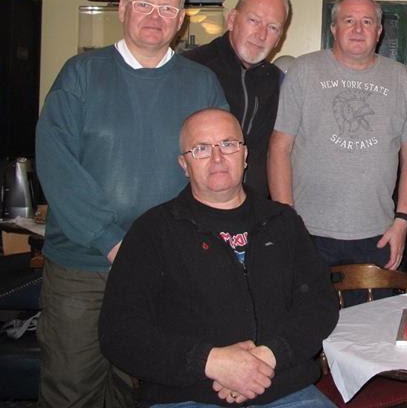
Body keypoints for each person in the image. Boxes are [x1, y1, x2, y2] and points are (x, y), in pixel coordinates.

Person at [35, 0, 228, 408]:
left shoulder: (201, 84)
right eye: (144, 4)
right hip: (83, 268)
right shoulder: (80, 74)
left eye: (167, 8)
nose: (155, 16)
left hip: (164, 268)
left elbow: (218, 169)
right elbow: (57, 165)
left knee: (137, 388)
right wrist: (110, 241)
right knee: (72, 388)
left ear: (181, 19)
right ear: (121, 9)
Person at [99, 108, 338, 408]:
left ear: (245, 155)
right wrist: (210, 362)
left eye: (228, 144)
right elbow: (119, 332)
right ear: (184, 165)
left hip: (285, 389)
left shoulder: (283, 222)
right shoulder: (152, 231)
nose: (217, 158)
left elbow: (319, 306)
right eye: (201, 148)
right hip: (186, 397)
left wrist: (267, 358)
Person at [267, 0, 407, 273]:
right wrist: (286, 221)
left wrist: (402, 220)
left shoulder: (402, 79)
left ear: (379, 31)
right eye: (349, 21)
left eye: (367, 22)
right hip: (307, 231)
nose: (358, 29)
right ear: (333, 28)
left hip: (379, 233)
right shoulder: (303, 71)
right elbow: (279, 147)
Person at [185, 0, 290, 197]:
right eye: (253, 21)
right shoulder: (191, 70)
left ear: (279, 40)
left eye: (272, 27)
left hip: (254, 208)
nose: (261, 34)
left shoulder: (277, 81)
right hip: (196, 206)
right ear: (232, 20)